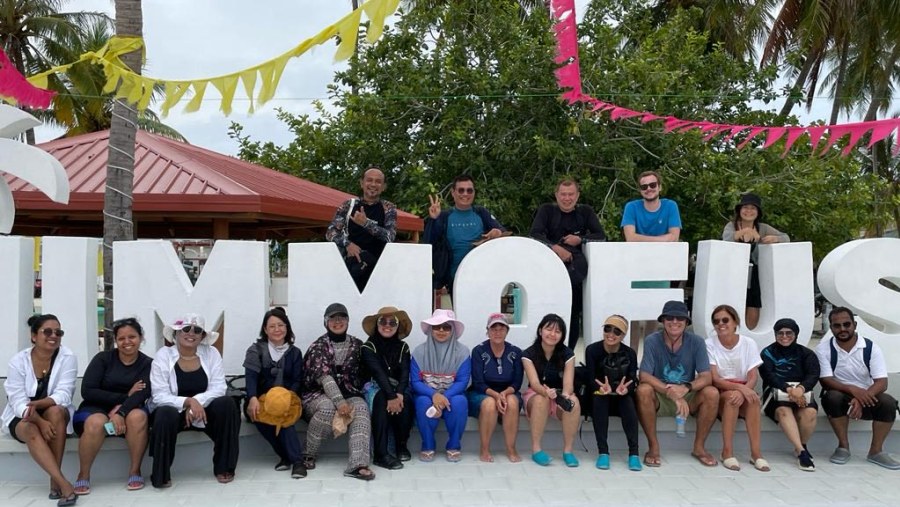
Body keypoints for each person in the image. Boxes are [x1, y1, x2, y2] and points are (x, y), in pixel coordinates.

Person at [149, 314, 240, 488]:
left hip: (204, 411)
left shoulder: (211, 353)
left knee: (227, 404)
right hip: (175, 411)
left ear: (202, 336)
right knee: (164, 413)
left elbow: (219, 387)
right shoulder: (163, 355)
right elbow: (159, 395)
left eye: (197, 330)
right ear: (176, 333)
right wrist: (188, 402)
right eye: (186, 329)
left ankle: (224, 467)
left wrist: (197, 402)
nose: (191, 333)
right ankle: (161, 474)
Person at [1, 314, 78, 506]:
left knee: (57, 412)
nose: (54, 336)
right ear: (34, 336)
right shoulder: (18, 361)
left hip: (51, 410)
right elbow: (18, 403)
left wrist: (40, 405)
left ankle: (54, 481)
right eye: (47, 331)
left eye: (58, 332)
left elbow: (64, 393)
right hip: (22, 416)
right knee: (31, 429)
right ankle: (63, 483)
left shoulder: (67, 357)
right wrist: (39, 420)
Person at [73, 317, 152, 494]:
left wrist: (121, 411)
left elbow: (142, 394)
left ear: (141, 338)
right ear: (116, 341)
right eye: (121, 338)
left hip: (130, 409)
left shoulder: (148, 364)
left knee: (138, 417)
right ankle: (83, 475)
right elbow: (88, 390)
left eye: (132, 337)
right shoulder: (103, 359)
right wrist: (125, 396)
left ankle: (135, 470)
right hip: (96, 407)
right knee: (96, 422)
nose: (127, 342)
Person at [635, 300, 718, 468]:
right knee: (643, 390)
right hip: (661, 394)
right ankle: (653, 447)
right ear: (663, 321)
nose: (674, 322)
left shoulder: (697, 342)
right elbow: (644, 375)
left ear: (686, 322)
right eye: (669, 318)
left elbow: (706, 376)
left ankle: (699, 447)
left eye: (679, 318)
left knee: (712, 393)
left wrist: (686, 388)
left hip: (687, 393)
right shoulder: (652, 340)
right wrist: (670, 392)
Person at [815, 307, 900, 470]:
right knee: (832, 397)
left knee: (888, 402)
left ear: (854, 325)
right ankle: (843, 447)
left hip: (868, 396)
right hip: (841, 397)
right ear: (831, 327)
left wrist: (861, 398)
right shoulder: (823, 349)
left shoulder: (870, 347)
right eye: (837, 325)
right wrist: (854, 391)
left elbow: (882, 382)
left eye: (846, 324)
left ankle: (876, 451)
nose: (842, 329)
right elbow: (826, 380)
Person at [530, 179, 607, 349]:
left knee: (573, 314)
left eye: (571, 194)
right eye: (563, 194)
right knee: (547, 312)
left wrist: (580, 239)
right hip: (549, 274)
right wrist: (556, 248)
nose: (567, 198)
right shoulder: (547, 210)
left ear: (577, 195)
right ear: (556, 195)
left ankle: (568, 355)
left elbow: (601, 235)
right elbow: (534, 234)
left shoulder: (585, 212)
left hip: (575, 274)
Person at [302, 303, 375, 480]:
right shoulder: (317, 347)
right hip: (317, 395)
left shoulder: (357, 345)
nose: (337, 322)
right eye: (332, 318)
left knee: (361, 408)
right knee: (328, 407)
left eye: (341, 318)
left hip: (350, 393)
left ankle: (358, 464)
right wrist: (340, 402)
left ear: (348, 321)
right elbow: (325, 378)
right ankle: (307, 453)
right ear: (325, 322)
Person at [620, 170, 682, 348]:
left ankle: (649, 360)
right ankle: (631, 359)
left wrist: (644, 239)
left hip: (661, 268)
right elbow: (630, 237)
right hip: (635, 268)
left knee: (654, 316)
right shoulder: (631, 207)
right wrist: (662, 240)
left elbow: (675, 237)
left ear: (659, 187)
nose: (649, 189)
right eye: (644, 186)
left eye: (652, 185)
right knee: (632, 317)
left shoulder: (670, 206)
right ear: (640, 190)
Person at [243, 307, 306, 478]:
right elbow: (251, 377)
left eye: (280, 325)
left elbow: (297, 380)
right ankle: (286, 456)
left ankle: (297, 462)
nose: (277, 329)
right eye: (272, 326)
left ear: (287, 327)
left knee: (285, 417)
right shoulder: (256, 350)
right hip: (260, 399)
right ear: (265, 329)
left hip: (288, 398)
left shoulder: (295, 353)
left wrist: (288, 398)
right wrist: (252, 398)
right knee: (259, 415)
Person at [705, 305, 768, 472]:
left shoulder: (748, 343)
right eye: (716, 321)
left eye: (725, 320)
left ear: (735, 322)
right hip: (722, 391)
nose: (721, 324)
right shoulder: (709, 344)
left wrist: (746, 390)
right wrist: (740, 390)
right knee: (733, 397)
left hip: (743, 387)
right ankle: (727, 452)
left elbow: (753, 375)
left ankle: (756, 453)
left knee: (753, 400)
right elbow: (715, 379)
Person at [424, 174, 506, 292]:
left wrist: (497, 232)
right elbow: (429, 242)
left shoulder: (481, 213)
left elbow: (503, 232)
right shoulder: (444, 216)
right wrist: (434, 219)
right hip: (454, 279)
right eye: (461, 190)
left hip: (482, 277)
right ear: (453, 192)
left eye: (469, 190)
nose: (465, 194)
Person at [411, 309, 471, 462]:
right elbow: (416, 382)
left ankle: (454, 444)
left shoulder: (462, 352)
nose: (441, 330)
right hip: (427, 394)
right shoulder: (419, 352)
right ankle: (428, 444)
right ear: (431, 329)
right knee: (422, 402)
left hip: (452, 394)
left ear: (453, 331)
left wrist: (443, 398)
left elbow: (462, 382)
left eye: (446, 327)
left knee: (460, 402)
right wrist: (434, 395)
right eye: (437, 327)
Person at [722, 193, 789, 329]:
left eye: (753, 208)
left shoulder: (763, 228)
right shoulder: (731, 225)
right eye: (745, 208)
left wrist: (774, 239)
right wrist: (744, 232)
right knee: (732, 302)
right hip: (733, 272)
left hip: (754, 272)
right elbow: (726, 239)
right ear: (739, 210)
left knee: (753, 303)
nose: (749, 211)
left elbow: (786, 237)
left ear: (758, 212)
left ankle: (749, 331)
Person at [759, 317, 819, 471]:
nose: (784, 337)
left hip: (801, 393)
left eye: (789, 333)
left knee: (810, 412)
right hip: (776, 394)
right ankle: (801, 452)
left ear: (796, 334)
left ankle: (802, 444)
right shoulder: (767, 353)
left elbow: (813, 375)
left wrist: (800, 389)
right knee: (783, 411)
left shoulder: (806, 354)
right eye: (780, 333)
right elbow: (769, 376)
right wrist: (788, 389)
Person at [522, 313, 581, 467]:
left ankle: (568, 451)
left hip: (559, 394)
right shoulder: (528, 354)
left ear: (562, 335)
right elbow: (534, 383)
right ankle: (536, 449)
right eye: (549, 329)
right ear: (540, 330)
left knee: (573, 402)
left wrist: (566, 395)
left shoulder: (568, 354)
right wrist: (545, 392)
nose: (552, 334)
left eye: (557, 331)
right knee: (542, 399)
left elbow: (568, 384)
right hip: (536, 395)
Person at [325, 167, 398, 291]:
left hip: (379, 270)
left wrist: (366, 223)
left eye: (378, 181)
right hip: (351, 269)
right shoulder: (348, 205)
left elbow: (389, 237)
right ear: (362, 183)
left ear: (384, 186)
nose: (373, 184)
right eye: (369, 180)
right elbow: (330, 232)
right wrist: (348, 244)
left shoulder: (388, 208)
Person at [360, 306, 414, 470]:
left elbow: (405, 372)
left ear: (398, 326)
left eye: (393, 322)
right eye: (383, 321)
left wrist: (399, 394)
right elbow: (377, 373)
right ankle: (381, 454)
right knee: (381, 400)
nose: (387, 325)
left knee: (407, 403)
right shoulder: (368, 347)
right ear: (377, 324)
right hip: (374, 385)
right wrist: (391, 396)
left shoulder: (403, 347)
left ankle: (401, 445)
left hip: (398, 388)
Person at [584, 315, 640, 471]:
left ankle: (634, 453)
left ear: (623, 335)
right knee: (599, 399)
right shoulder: (592, 350)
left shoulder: (630, 353)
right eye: (608, 328)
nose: (611, 334)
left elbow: (632, 379)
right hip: (600, 393)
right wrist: (600, 387)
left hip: (621, 395)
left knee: (627, 402)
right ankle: (603, 452)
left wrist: (625, 389)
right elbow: (590, 377)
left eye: (617, 331)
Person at [466, 313, 524, 463]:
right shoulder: (478, 351)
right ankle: (484, 449)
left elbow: (517, 382)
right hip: (482, 392)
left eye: (501, 329)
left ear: (507, 331)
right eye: (494, 329)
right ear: (488, 331)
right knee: (490, 404)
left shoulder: (516, 352)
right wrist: (496, 396)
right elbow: (478, 382)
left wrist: (503, 394)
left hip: (508, 391)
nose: (497, 332)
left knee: (512, 402)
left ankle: (511, 448)